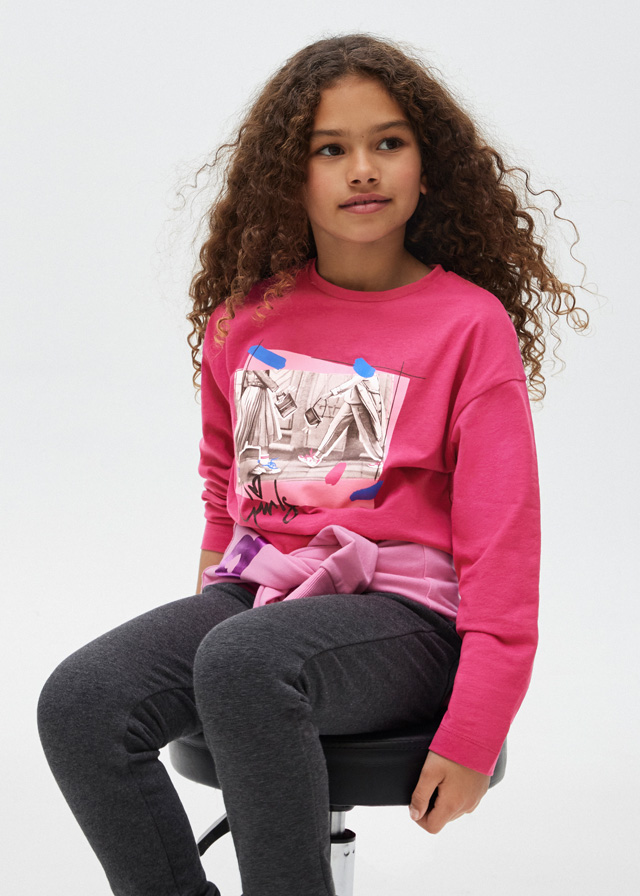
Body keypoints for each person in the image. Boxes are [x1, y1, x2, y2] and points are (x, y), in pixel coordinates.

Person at [37, 33, 590, 896]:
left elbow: (504, 550)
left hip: (409, 621)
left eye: (388, 142)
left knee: (245, 661)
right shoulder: (245, 320)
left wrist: (475, 732)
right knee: (83, 701)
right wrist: (204, 629)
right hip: (261, 601)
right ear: (287, 178)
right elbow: (224, 497)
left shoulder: (468, 326)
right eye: (330, 150)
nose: (362, 169)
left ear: (427, 165)